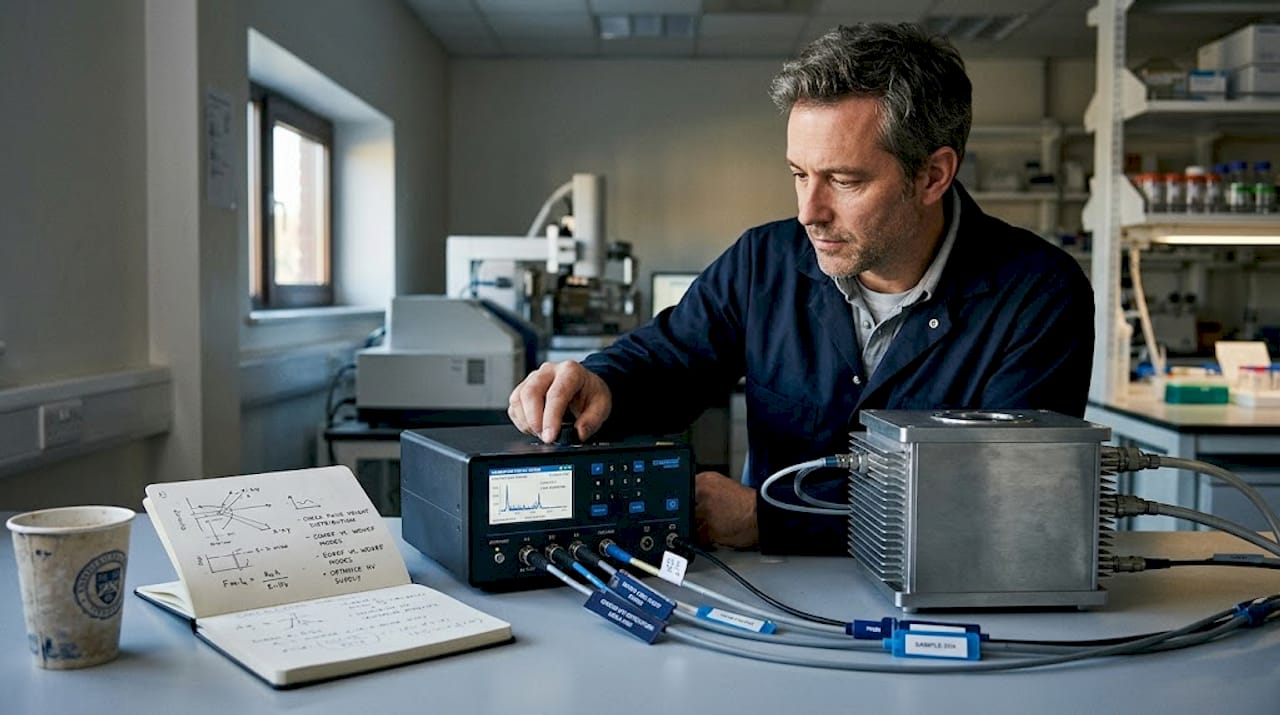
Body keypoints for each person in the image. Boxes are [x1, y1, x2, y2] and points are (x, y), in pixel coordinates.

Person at [507, 23, 1094, 555]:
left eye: (843, 180)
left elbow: (1011, 504)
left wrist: (771, 519)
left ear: (933, 175)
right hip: (774, 596)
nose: (809, 212)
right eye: (798, 175)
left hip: (943, 597)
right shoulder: (765, 261)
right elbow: (671, 357)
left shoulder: (1038, 297)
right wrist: (602, 383)